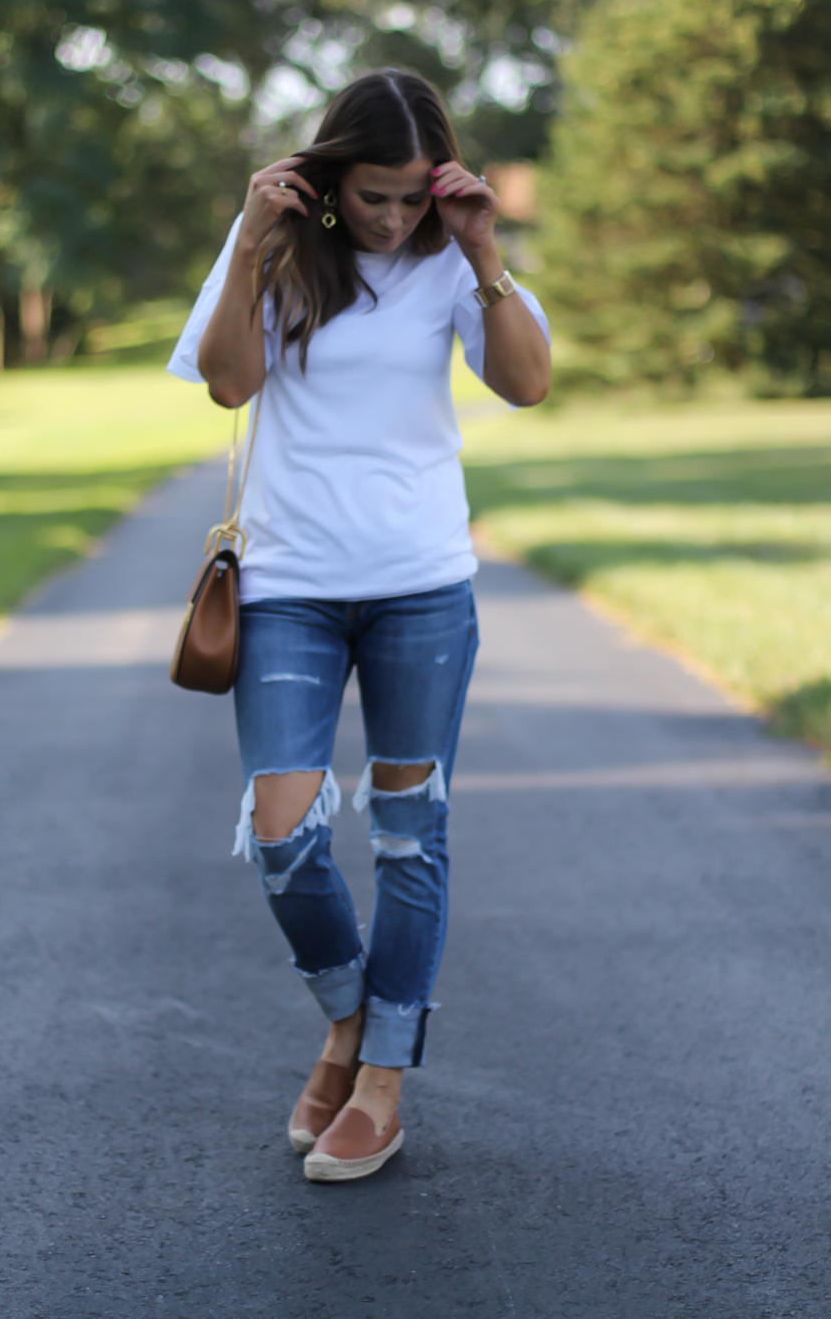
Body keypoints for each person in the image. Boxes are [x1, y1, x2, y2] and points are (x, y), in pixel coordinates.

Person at [168, 68, 550, 1182]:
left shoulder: (448, 255)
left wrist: (481, 254)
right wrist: (247, 240)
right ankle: (345, 1020)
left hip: (421, 582)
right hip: (288, 582)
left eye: (411, 197)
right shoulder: (276, 245)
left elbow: (525, 384)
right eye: (373, 196)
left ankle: (378, 1082)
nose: (392, 219)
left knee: (406, 836)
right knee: (283, 832)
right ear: (333, 177)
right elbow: (228, 386)